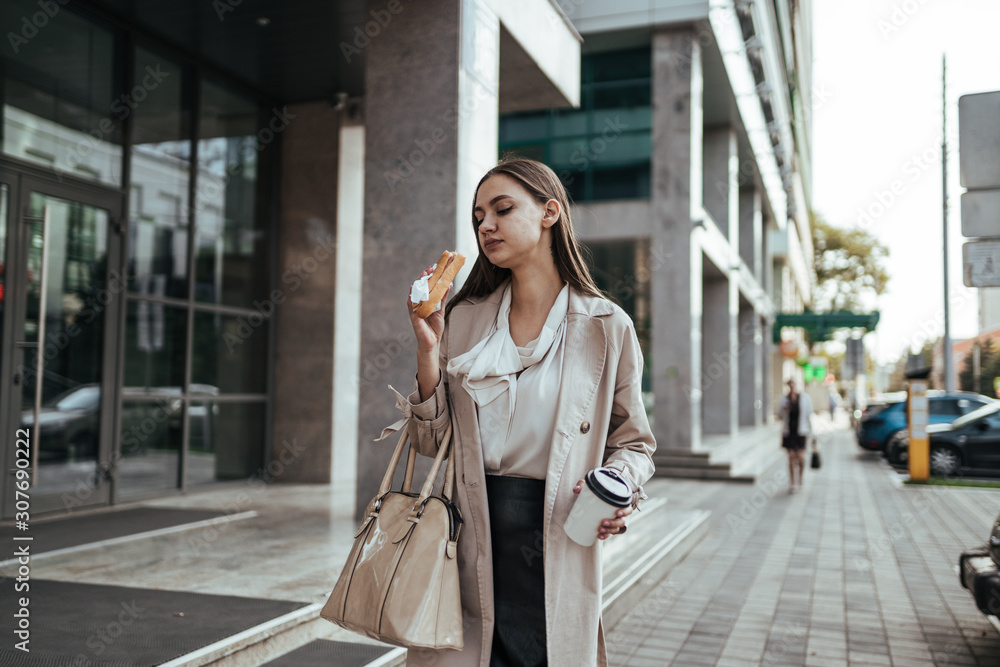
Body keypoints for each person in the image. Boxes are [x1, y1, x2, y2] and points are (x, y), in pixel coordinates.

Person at [382, 158, 656, 667]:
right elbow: (427, 443)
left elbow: (635, 443)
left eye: (502, 209)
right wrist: (427, 350)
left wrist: (616, 489)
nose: (486, 225)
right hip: (464, 543)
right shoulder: (461, 319)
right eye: (479, 216)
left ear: (550, 211)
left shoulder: (606, 326)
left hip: (559, 537)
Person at [778, 378, 813, 492]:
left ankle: (800, 476)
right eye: (790, 385)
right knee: (791, 457)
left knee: (801, 457)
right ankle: (793, 482)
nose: (792, 387)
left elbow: (809, 416)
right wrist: (784, 410)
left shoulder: (804, 398)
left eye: (793, 385)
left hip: (801, 432)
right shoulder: (784, 399)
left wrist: (812, 434)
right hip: (789, 432)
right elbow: (779, 415)